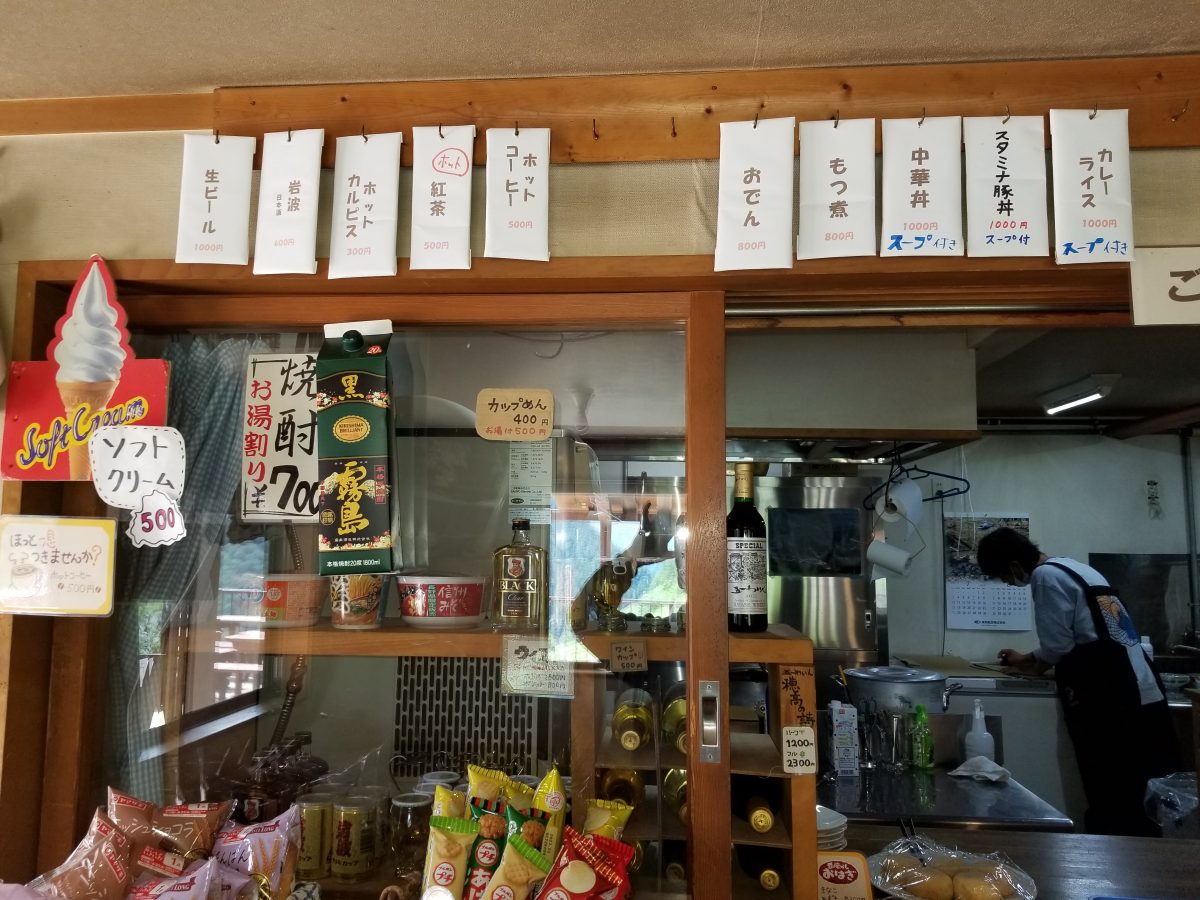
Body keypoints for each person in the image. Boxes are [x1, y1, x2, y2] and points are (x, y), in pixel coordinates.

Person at [976, 526, 1180, 837]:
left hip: (1108, 692)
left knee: (1110, 786)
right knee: (1139, 784)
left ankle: (1116, 851)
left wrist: (1035, 667)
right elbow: (1082, 633)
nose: (1006, 583)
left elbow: (1058, 646)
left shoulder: (1045, 577)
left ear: (1015, 565)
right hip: (1139, 684)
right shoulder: (1075, 568)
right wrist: (1029, 658)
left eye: (1003, 576)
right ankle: (1145, 850)